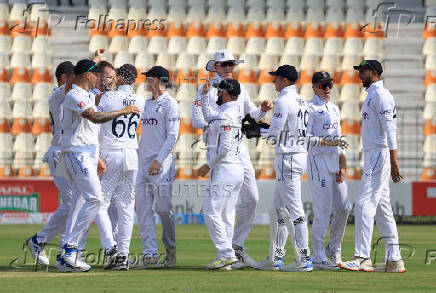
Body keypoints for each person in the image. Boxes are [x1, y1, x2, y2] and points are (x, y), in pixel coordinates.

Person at [192, 49, 273, 269]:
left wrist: (262, 111)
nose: (229, 68)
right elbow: (198, 119)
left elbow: (251, 115)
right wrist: (222, 125)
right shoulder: (208, 89)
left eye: (232, 64)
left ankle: (233, 247)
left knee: (252, 198)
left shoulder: (238, 88)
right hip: (219, 146)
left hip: (236, 149)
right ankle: (228, 252)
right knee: (224, 208)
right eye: (225, 64)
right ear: (216, 66)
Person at [58, 59, 140, 272]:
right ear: (88, 75)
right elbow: (94, 116)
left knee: (88, 203)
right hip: (90, 154)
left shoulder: (96, 96)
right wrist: (124, 110)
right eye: (98, 75)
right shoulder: (75, 95)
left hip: (98, 155)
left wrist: (98, 157)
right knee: (108, 203)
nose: (102, 79)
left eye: (107, 76)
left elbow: (93, 123)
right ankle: (113, 252)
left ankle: (72, 253)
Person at [340, 60, 406, 273]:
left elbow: (391, 129)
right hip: (374, 154)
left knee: (363, 203)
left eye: (364, 71)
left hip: (379, 153)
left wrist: (394, 160)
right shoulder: (372, 96)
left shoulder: (381, 96)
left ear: (375, 73)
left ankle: (362, 257)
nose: (360, 75)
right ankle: (394, 260)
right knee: (382, 208)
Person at [254, 65, 313, 272]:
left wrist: (257, 130)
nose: (274, 82)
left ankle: (304, 259)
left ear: (285, 81)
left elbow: (275, 134)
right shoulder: (301, 101)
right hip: (297, 155)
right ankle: (276, 258)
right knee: (276, 209)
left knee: (295, 211)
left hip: (288, 158)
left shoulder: (283, 101)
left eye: (277, 78)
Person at [25, 61, 78, 271]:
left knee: (72, 203)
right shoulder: (58, 93)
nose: (78, 79)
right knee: (73, 202)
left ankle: (63, 253)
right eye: (74, 75)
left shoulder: (68, 94)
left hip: (67, 152)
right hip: (58, 153)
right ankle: (39, 239)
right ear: (64, 78)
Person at [93, 64, 145, 270]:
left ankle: (111, 249)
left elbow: (94, 118)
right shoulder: (140, 100)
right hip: (132, 154)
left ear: (120, 78)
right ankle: (122, 255)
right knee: (125, 207)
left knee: (100, 203)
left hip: (112, 154)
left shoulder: (108, 98)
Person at [133, 66, 180, 269]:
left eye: (148, 78)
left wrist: (158, 160)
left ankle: (170, 249)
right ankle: (150, 255)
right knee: (143, 211)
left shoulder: (171, 104)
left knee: (163, 209)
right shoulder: (145, 104)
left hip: (162, 166)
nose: (145, 81)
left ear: (156, 80)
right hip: (142, 164)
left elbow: (172, 136)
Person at [197, 78, 244, 270]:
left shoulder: (226, 115)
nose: (217, 93)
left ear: (228, 94)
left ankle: (226, 253)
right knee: (226, 214)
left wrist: (208, 165)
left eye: (220, 91)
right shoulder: (229, 111)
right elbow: (209, 116)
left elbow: (224, 147)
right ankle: (225, 260)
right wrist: (203, 95)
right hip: (233, 169)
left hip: (225, 168)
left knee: (210, 210)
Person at [306, 71, 351, 270]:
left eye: (329, 85)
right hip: (317, 162)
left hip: (334, 162)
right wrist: (328, 142)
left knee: (343, 208)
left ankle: (333, 250)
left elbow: (340, 139)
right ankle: (317, 255)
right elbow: (304, 139)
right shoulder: (309, 109)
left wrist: (343, 165)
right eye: (323, 86)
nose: (328, 89)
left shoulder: (334, 108)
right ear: (314, 87)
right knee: (323, 210)